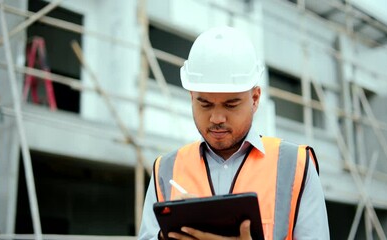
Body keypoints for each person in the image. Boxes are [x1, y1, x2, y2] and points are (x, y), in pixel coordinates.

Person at [139, 26, 330, 240]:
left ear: (255, 99)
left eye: (230, 105)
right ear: (192, 97)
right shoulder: (165, 170)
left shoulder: (296, 166)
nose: (216, 118)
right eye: (205, 104)